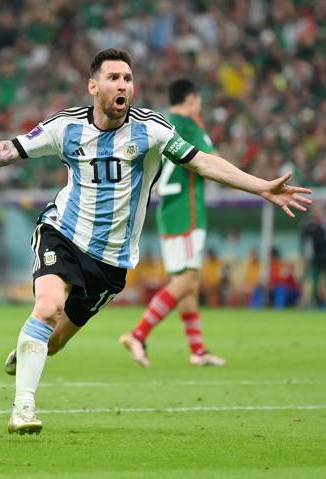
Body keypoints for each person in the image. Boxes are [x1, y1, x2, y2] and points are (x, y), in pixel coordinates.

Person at [0, 49, 312, 435]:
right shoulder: (66, 127)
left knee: (55, 340)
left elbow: (202, 162)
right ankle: (23, 407)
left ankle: (29, 349)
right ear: (93, 86)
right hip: (63, 233)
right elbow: (8, 150)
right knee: (47, 307)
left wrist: (262, 187)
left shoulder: (151, 130)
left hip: (112, 261)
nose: (123, 85)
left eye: (128, 79)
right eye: (114, 77)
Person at [120, 79, 225, 368]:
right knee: (188, 279)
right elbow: (211, 161)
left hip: (168, 209)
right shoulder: (188, 124)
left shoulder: (161, 123)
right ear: (191, 98)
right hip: (187, 210)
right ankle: (138, 334)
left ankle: (198, 350)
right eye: (199, 99)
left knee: (187, 284)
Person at [299, 201, 326, 308]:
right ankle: (316, 304)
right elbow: (302, 239)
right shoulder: (308, 222)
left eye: (319, 209)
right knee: (314, 281)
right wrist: (304, 254)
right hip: (315, 256)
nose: (317, 212)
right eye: (315, 209)